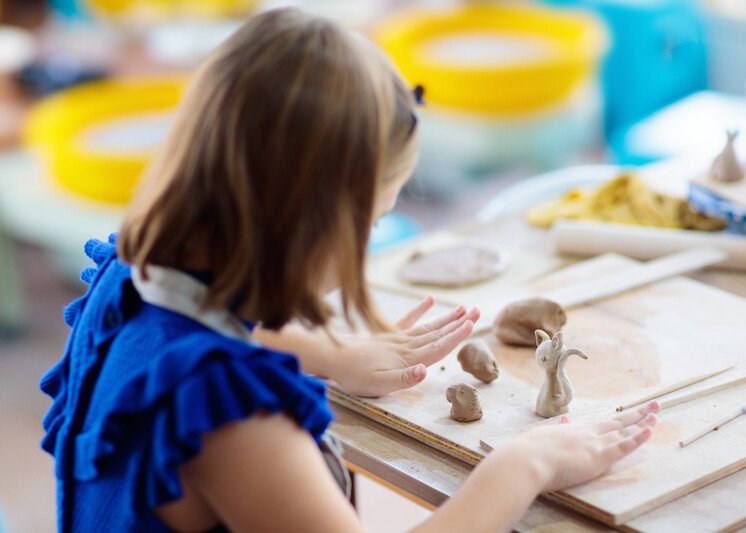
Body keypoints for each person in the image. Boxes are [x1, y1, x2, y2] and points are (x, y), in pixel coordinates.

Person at [40, 8, 658, 532]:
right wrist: (524, 466)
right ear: (317, 220)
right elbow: (213, 375)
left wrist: (326, 352)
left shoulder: (131, 272)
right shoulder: (235, 421)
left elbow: (197, 336)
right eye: (373, 221)